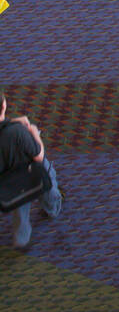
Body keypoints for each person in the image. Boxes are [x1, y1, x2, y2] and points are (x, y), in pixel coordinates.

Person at [0, 90, 63, 250]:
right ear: (4, 105)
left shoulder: (13, 129)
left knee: (20, 207)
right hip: (30, 174)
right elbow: (38, 156)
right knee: (47, 177)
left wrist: (14, 121)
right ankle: (52, 208)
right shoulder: (17, 132)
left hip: (7, 184)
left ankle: (21, 241)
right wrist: (35, 134)